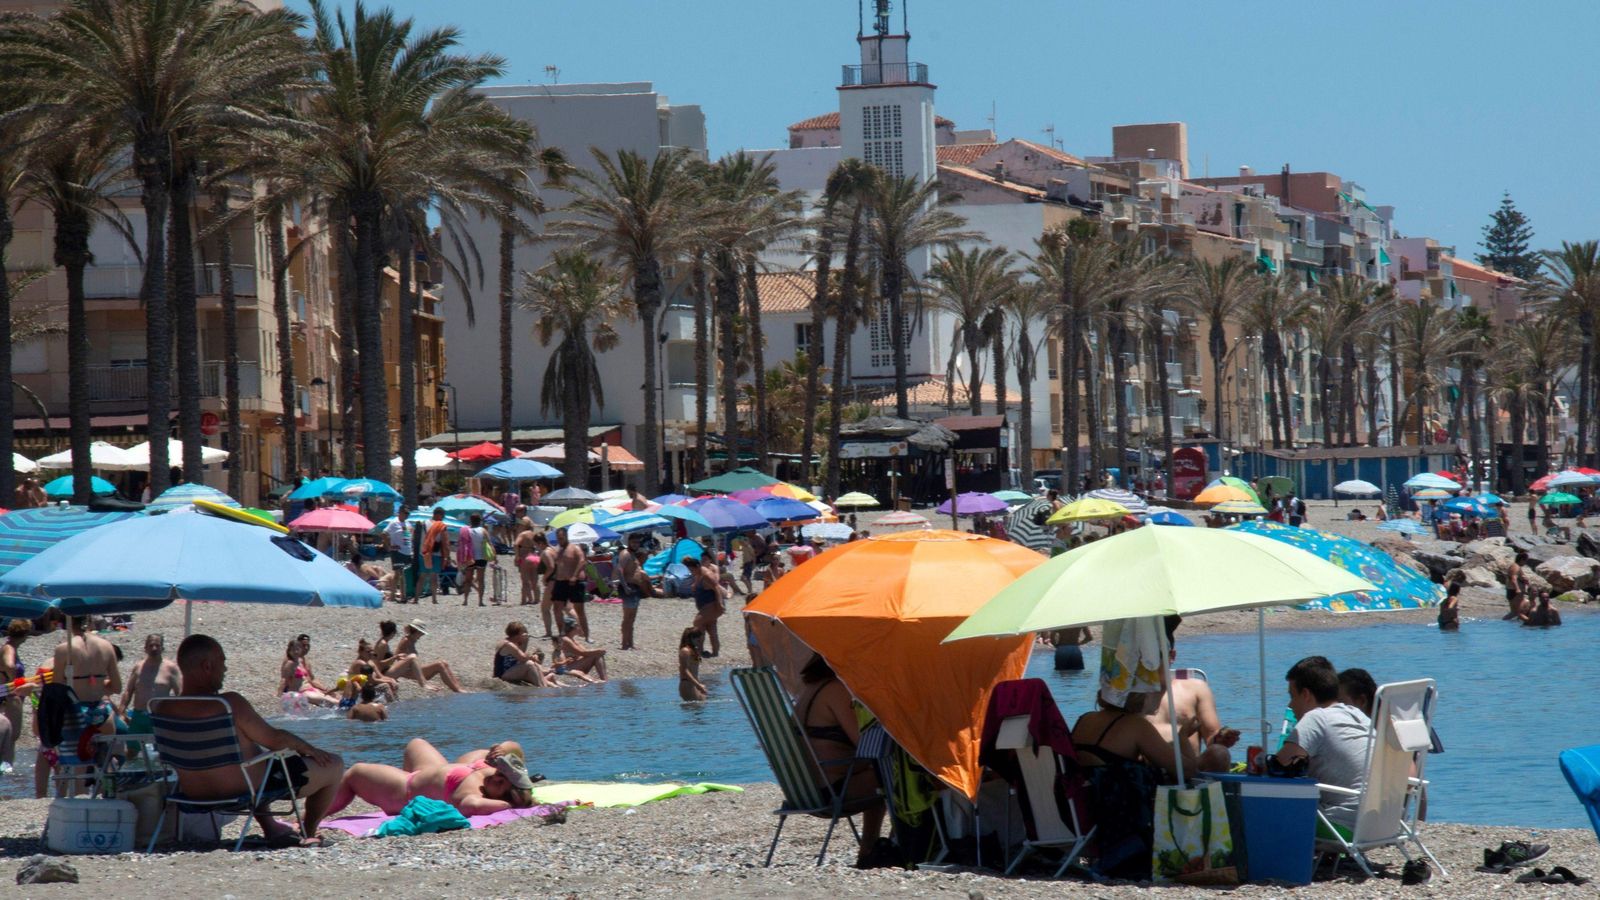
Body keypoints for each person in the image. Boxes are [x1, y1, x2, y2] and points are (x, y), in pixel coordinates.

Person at [164, 634, 343, 847]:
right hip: (240, 790)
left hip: (192, 793)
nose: (225, 669)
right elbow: (275, 739)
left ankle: (272, 828)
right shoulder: (229, 704)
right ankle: (308, 830)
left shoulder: (163, 707)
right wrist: (310, 749)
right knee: (334, 764)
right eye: (223, 662)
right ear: (207, 666)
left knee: (249, 752)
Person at [1072, 688, 1190, 880]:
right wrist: (1183, 738)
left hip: (1082, 807)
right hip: (1112, 816)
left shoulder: (1085, 719)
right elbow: (1185, 770)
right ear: (1139, 696)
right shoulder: (1135, 725)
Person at [792, 655, 884, 862]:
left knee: (882, 770)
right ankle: (877, 847)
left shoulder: (809, 688)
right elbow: (864, 744)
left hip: (805, 790)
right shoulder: (837, 690)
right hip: (832, 791)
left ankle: (872, 846)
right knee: (901, 776)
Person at [1273, 656, 1371, 835]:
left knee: (1265, 807)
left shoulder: (1316, 717)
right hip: (1379, 823)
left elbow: (1279, 766)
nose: (1290, 704)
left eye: (1292, 696)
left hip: (1344, 826)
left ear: (1306, 695)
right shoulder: (1357, 715)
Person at [325, 741, 534, 818]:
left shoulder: (473, 796)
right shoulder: (496, 775)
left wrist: (510, 804)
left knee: (355, 773)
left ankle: (313, 816)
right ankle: (428, 786)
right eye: (499, 774)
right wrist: (504, 749)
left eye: (500, 783)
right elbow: (516, 749)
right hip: (438, 771)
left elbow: (473, 806)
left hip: (404, 789)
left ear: (506, 795)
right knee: (416, 743)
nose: (495, 777)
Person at [1141, 616, 1237, 772]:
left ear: (1172, 656)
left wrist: (1221, 738)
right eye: (1143, 656)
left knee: (1220, 753)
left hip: (1190, 769)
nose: (1148, 663)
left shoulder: (1195, 688)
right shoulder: (1130, 696)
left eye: (1155, 656)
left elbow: (1212, 737)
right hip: (1147, 769)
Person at [119, 633, 181, 732]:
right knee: (133, 746)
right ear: (145, 648)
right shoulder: (138, 667)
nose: (154, 648)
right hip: (139, 716)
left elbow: (180, 693)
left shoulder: (171, 668)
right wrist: (121, 711)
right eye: (151, 645)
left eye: (157, 645)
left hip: (160, 717)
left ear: (162, 648)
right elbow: (128, 691)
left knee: (161, 746)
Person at [0, 620, 36, 776]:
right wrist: (15, 680)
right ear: (25, 634)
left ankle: (7, 768)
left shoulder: (8, 647)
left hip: (8, 694)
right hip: (10, 695)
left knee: (9, 736)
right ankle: (7, 771)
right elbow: (9, 665)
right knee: (12, 735)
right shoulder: (9, 648)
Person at [389, 620, 465, 693]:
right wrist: (405, 660)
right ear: (417, 631)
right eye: (421, 633)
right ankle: (457, 690)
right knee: (440, 664)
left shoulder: (412, 640)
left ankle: (458, 687)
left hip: (415, 670)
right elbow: (397, 655)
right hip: (409, 672)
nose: (422, 635)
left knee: (444, 663)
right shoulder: (406, 640)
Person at [615, 535, 659, 651]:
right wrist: (625, 586)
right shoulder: (625, 554)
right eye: (633, 542)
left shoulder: (633, 554)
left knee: (632, 618)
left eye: (637, 543)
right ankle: (624, 643)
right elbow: (619, 569)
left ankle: (630, 643)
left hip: (635, 588)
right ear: (629, 542)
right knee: (627, 618)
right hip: (628, 587)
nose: (636, 544)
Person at [548, 527, 589, 639]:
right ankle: (562, 632)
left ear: (566, 536)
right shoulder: (558, 550)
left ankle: (586, 634)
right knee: (557, 608)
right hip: (561, 582)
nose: (560, 540)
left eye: (561, 538)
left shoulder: (575, 548)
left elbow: (582, 561)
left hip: (574, 582)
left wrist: (575, 576)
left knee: (579, 609)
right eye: (558, 538)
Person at [280, 639, 337, 711]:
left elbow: (310, 679)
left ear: (301, 650)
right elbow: (284, 679)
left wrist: (323, 689)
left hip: (311, 689)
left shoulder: (300, 661)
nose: (296, 652)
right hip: (303, 692)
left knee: (336, 700)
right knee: (333, 702)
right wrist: (279, 695)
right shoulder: (290, 664)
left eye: (297, 649)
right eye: (293, 650)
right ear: (289, 650)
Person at [688, 554, 723, 658]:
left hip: (711, 605)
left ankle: (699, 651)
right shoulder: (698, 575)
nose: (690, 571)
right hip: (704, 606)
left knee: (697, 623)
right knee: (709, 629)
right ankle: (710, 652)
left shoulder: (707, 575)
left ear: (696, 567)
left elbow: (717, 588)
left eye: (691, 569)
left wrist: (720, 604)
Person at [494, 622, 550, 686]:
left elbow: (521, 654)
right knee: (530, 664)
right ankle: (543, 688)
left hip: (510, 670)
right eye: (523, 633)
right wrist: (532, 656)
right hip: (502, 675)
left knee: (536, 670)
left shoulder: (512, 642)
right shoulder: (509, 645)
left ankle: (547, 688)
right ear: (518, 634)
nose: (525, 634)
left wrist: (525, 641)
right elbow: (523, 658)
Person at [552, 616, 606, 682]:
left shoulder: (573, 640)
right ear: (573, 627)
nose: (579, 627)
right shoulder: (565, 639)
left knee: (596, 654)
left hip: (574, 665)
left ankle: (604, 681)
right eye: (578, 625)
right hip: (567, 668)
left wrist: (597, 651)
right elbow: (582, 652)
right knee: (597, 655)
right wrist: (598, 651)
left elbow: (585, 653)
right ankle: (604, 680)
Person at [457, 513, 490, 606]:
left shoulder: (466, 530)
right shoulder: (483, 530)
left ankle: (465, 600)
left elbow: (460, 544)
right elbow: (489, 543)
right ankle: (480, 601)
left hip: (469, 557)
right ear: (480, 521)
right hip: (481, 557)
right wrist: (494, 556)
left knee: (468, 579)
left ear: (470, 520)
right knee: (481, 579)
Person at [419, 508, 451, 602]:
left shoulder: (423, 523)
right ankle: (434, 599)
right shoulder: (440, 525)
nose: (443, 518)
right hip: (435, 553)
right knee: (434, 576)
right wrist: (447, 556)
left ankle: (416, 598)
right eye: (443, 516)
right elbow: (445, 543)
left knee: (422, 576)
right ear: (439, 514)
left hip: (424, 552)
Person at [384, 504, 414, 602]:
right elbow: (384, 533)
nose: (407, 515)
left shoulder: (408, 524)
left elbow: (409, 537)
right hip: (398, 552)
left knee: (397, 574)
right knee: (401, 573)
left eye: (408, 514)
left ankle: (393, 595)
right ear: (400, 512)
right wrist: (389, 546)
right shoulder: (394, 523)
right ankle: (403, 596)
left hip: (407, 552)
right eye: (405, 513)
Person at [514, 522, 542, 608]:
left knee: (525, 581)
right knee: (535, 581)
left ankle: (523, 600)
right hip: (534, 556)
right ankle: (536, 599)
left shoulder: (523, 534)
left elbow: (516, 544)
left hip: (525, 557)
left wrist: (517, 556)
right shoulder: (533, 534)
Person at [678, 628, 707, 702]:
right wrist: (698, 686)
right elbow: (685, 670)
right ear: (691, 638)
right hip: (687, 684)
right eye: (698, 640)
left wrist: (699, 684)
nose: (700, 642)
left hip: (694, 684)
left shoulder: (694, 651)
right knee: (694, 709)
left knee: (700, 708)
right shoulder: (685, 651)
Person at [1505, 550, 1530, 620]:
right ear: (1522, 560)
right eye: (1526, 561)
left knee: (1518, 611)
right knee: (1516, 612)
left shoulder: (1516, 566)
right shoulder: (1515, 567)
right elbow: (1514, 578)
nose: (1525, 563)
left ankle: (1514, 625)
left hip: (1513, 591)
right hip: (1515, 592)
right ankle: (1503, 622)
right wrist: (1517, 589)